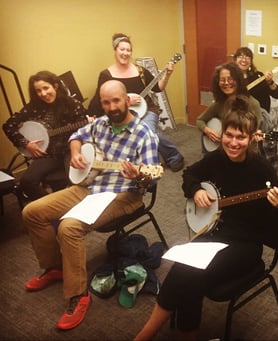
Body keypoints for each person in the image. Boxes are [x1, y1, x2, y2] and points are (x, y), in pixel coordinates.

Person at [135, 95, 278, 340]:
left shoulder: (263, 170)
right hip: (213, 233)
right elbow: (190, 173)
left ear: (251, 139)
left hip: (245, 246)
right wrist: (196, 189)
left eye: (240, 137)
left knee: (190, 272)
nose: (233, 142)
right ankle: (165, 333)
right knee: (186, 270)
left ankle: (147, 335)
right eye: (229, 135)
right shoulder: (217, 158)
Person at [22, 80, 160, 331]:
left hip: (123, 194)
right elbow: (76, 136)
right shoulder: (99, 124)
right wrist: (75, 152)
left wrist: (139, 175)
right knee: (32, 211)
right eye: (106, 102)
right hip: (88, 186)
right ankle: (55, 267)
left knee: (69, 227)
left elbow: (152, 176)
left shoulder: (144, 135)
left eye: (116, 100)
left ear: (127, 100)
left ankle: (78, 295)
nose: (112, 106)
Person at [88, 32, 184, 172]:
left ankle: (174, 156)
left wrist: (168, 74)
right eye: (122, 49)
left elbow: (158, 88)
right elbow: (99, 97)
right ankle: (141, 164)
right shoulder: (106, 75)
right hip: (123, 113)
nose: (125, 53)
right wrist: (92, 114)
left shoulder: (140, 71)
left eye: (128, 50)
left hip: (147, 110)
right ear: (115, 51)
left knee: (149, 134)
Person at [2, 71, 89, 201]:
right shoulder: (33, 107)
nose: (43, 94)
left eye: (46, 88)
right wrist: (26, 143)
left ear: (55, 86)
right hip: (47, 154)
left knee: (75, 179)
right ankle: (53, 205)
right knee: (27, 181)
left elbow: (84, 130)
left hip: (69, 149)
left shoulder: (72, 104)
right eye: (38, 91)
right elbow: (8, 125)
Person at [196, 62, 262, 154]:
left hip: (244, 150)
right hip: (222, 149)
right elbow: (199, 120)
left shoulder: (252, 103)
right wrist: (207, 130)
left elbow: (256, 130)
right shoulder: (219, 103)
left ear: (238, 80)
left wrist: (255, 135)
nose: (226, 83)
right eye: (222, 80)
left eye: (230, 79)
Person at [232, 46, 278, 131]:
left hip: (258, 118)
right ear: (235, 60)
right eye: (240, 57)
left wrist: (270, 82)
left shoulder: (258, 76)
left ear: (251, 61)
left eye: (247, 57)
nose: (244, 60)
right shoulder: (231, 77)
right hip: (237, 117)